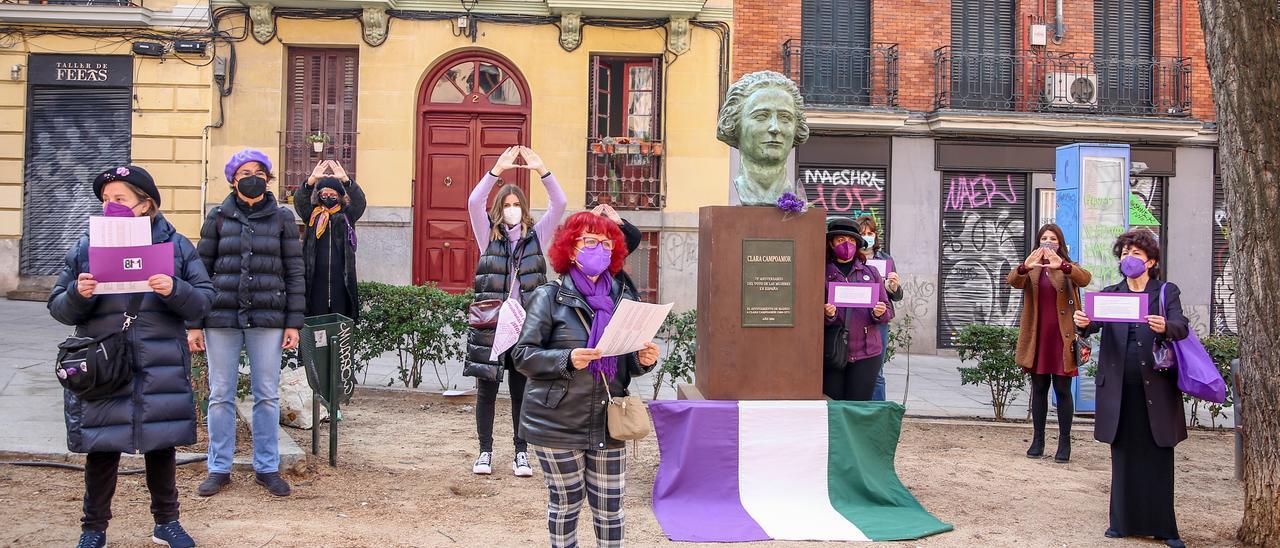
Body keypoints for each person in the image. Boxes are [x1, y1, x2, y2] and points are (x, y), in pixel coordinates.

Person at [49, 166, 213, 548]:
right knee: (102, 448)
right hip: (104, 362)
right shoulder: (86, 245)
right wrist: (78, 293)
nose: (110, 207)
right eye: (105, 200)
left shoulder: (176, 245)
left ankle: (166, 523)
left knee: (161, 445)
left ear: (145, 204)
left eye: (119, 199)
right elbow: (58, 307)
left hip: (159, 360)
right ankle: (93, 530)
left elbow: (205, 299)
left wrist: (175, 289)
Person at [510, 211, 660, 548]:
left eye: (606, 244)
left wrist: (641, 360)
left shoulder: (623, 298)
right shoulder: (548, 297)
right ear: (572, 249)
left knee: (610, 508)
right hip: (556, 421)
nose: (599, 250)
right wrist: (567, 358)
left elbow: (625, 364)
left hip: (609, 420)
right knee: (567, 503)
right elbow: (522, 356)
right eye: (590, 242)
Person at [190, 149, 305, 498]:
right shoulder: (218, 217)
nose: (251, 177)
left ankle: (267, 467)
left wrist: (294, 323)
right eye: (244, 172)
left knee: (267, 395)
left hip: (268, 317)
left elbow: (295, 272)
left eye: (258, 172)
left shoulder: (283, 219)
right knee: (221, 394)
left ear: (267, 179)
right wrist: (194, 323)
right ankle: (218, 467)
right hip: (221, 317)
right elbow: (199, 269)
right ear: (232, 179)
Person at [1073, 229, 1187, 548]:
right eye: (1124, 253)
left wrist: (1167, 326)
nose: (1129, 259)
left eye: (1136, 253)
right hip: (1119, 390)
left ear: (1150, 260)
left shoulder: (1165, 292)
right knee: (1122, 456)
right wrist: (1081, 321)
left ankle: (1164, 528)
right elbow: (1090, 326)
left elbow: (1182, 326)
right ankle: (1121, 523)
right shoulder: (1111, 293)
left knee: (1158, 455)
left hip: (1157, 389)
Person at [465, 145, 566, 477]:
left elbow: (560, 204)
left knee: (522, 391)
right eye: (506, 206)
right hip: (492, 326)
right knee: (487, 391)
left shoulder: (537, 236)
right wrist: (496, 170)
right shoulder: (487, 236)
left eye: (516, 205)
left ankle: (521, 453)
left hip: (526, 327)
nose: (511, 210)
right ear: (499, 210)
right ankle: (484, 452)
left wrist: (542, 170)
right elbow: (473, 203)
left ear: (524, 210)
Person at [1008, 223, 1092, 462]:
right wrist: (1026, 265)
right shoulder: (1032, 267)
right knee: (1039, 389)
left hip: (1062, 337)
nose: (1047, 242)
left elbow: (1084, 278)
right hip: (1038, 336)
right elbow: (1013, 280)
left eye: (1052, 238)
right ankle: (1038, 440)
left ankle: (1064, 443)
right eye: (1043, 238)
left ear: (1060, 242)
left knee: (1063, 390)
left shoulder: (1067, 266)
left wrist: (1062, 265)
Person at [823, 217, 893, 401]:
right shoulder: (822, 273)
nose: (847, 244)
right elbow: (809, 312)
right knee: (834, 405)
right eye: (840, 240)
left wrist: (879, 313)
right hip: (834, 350)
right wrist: (827, 315)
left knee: (858, 406)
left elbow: (887, 310)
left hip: (867, 351)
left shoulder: (870, 273)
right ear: (831, 243)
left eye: (852, 240)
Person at [294, 160, 367, 321]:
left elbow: (360, 202)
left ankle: (338, 346)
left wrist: (346, 181)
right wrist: (311, 181)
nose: (328, 198)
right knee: (316, 325)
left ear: (340, 197)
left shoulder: (347, 215)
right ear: (319, 195)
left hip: (341, 279)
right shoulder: (312, 214)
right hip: (315, 279)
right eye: (324, 194)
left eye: (333, 195)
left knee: (340, 325)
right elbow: (299, 201)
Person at [855, 215, 902, 401]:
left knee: (878, 371)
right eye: (863, 233)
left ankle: (878, 412)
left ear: (875, 235)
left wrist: (894, 287)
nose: (867, 237)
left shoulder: (886, 259)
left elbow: (896, 296)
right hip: (857, 317)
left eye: (870, 233)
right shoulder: (850, 258)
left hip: (879, 320)